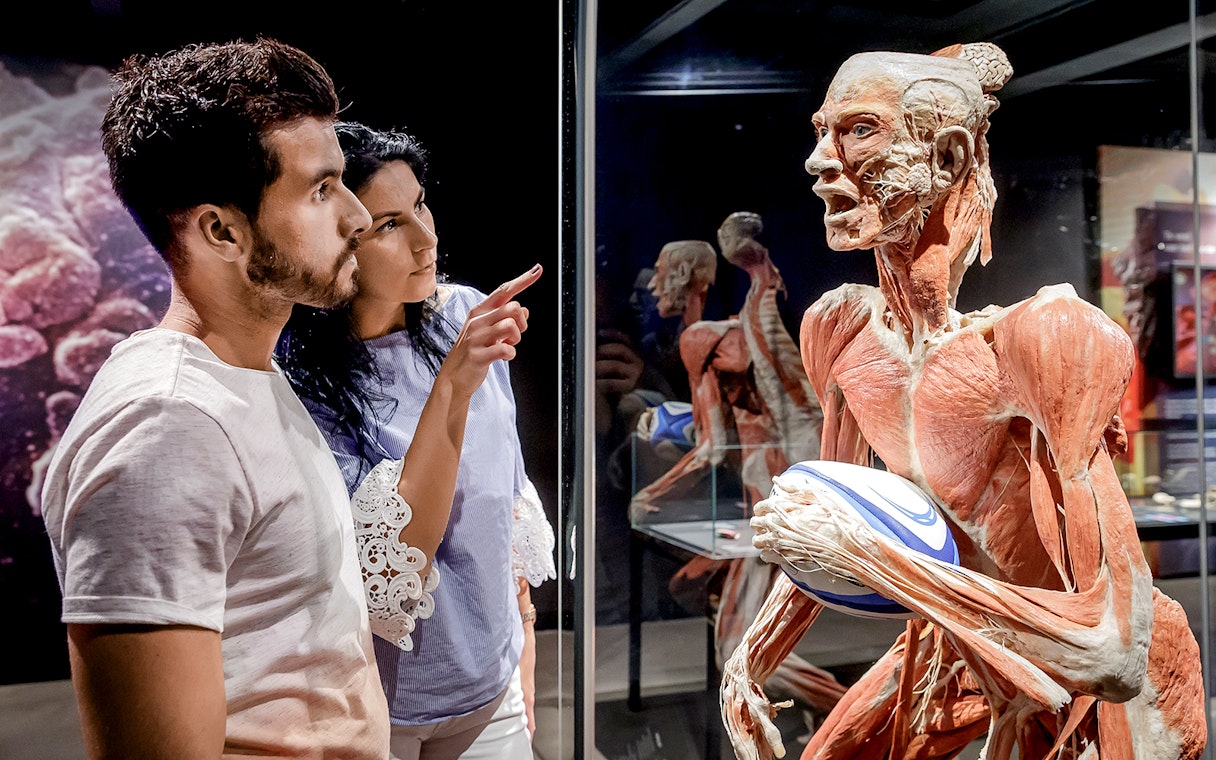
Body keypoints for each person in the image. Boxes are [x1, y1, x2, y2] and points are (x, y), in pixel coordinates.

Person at [721, 43, 1206, 759]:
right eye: (821, 131)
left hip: (1095, 686)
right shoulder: (841, 329)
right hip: (954, 644)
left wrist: (876, 561)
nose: (820, 161)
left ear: (947, 159)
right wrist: (749, 663)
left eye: (858, 130)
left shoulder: (1046, 338)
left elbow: (1115, 645)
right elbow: (834, 526)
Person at [40, 37, 397, 758]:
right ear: (221, 230)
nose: (359, 216)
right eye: (322, 189)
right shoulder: (166, 429)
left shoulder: (244, 376)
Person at [276, 122, 555, 760]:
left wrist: (525, 651)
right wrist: (453, 385)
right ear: (337, 242)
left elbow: (503, 497)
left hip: (493, 688)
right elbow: (393, 564)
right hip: (374, 708)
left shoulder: (466, 315)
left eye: (422, 204)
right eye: (389, 225)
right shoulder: (302, 382)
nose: (427, 239)